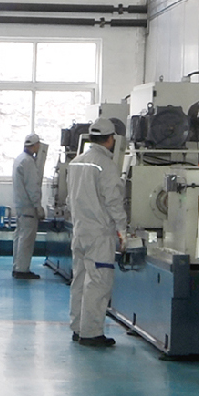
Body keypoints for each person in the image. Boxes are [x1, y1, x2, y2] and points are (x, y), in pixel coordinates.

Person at [61, 119, 127, 347]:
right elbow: (114, 201)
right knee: (98, 283)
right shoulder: (105, 165)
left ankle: (78, 327)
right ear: (111, 139)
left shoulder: (76, 163)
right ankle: (91, 333)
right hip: (99, 234)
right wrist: (122, 231)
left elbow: (69, 199)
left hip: (79, 231)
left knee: (79, 280)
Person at [11, 133, 46, 281]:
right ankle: (22, 270)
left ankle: (17, 267)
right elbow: (33, 187)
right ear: (35, 145)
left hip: (19, 205)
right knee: (26, 239)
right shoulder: (29, 162)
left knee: (19, 237)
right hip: (28, 206)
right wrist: (38, 207)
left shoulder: (19, 159)